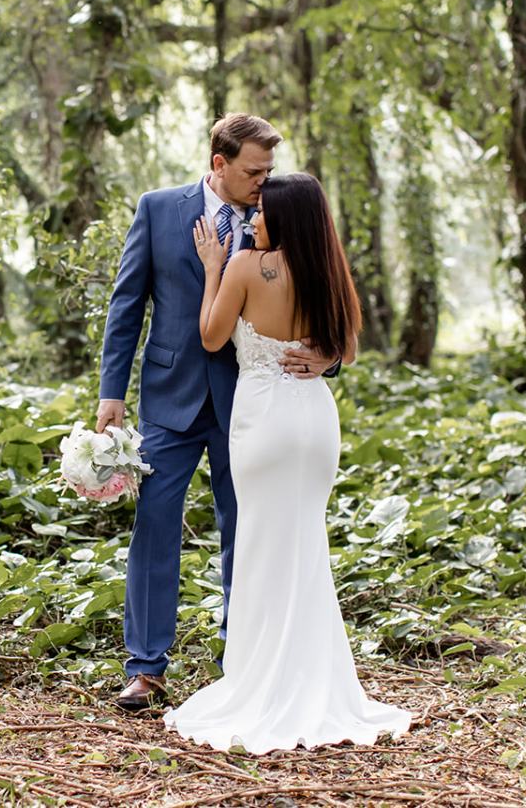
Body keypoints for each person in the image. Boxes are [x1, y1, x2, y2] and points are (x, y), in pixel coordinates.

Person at [159, 170, 412, 753]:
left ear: (284, 216)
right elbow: (345, 347)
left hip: (265, 422)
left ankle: (260, 681)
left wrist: (215, 266)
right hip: (315, 422)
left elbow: (210, 337)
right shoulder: (326, 268)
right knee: (305, 545)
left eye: (263, 209)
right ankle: (315, 679)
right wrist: (322, 358)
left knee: (261, 547)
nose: (254, 217)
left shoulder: (249, 265)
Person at [97, 114, 341, 713]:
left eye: (269, 170)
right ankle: (146, 668)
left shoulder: (280, 220)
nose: (264, 182)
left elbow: (319, 294)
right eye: (254, 170)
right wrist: (111, 392)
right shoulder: (158, 209)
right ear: (219, 164)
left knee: (248, 528)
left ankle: (245, 660)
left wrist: (326, 360)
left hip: (256, 406)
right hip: (170, 398)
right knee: (155, 526)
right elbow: (127, 305)